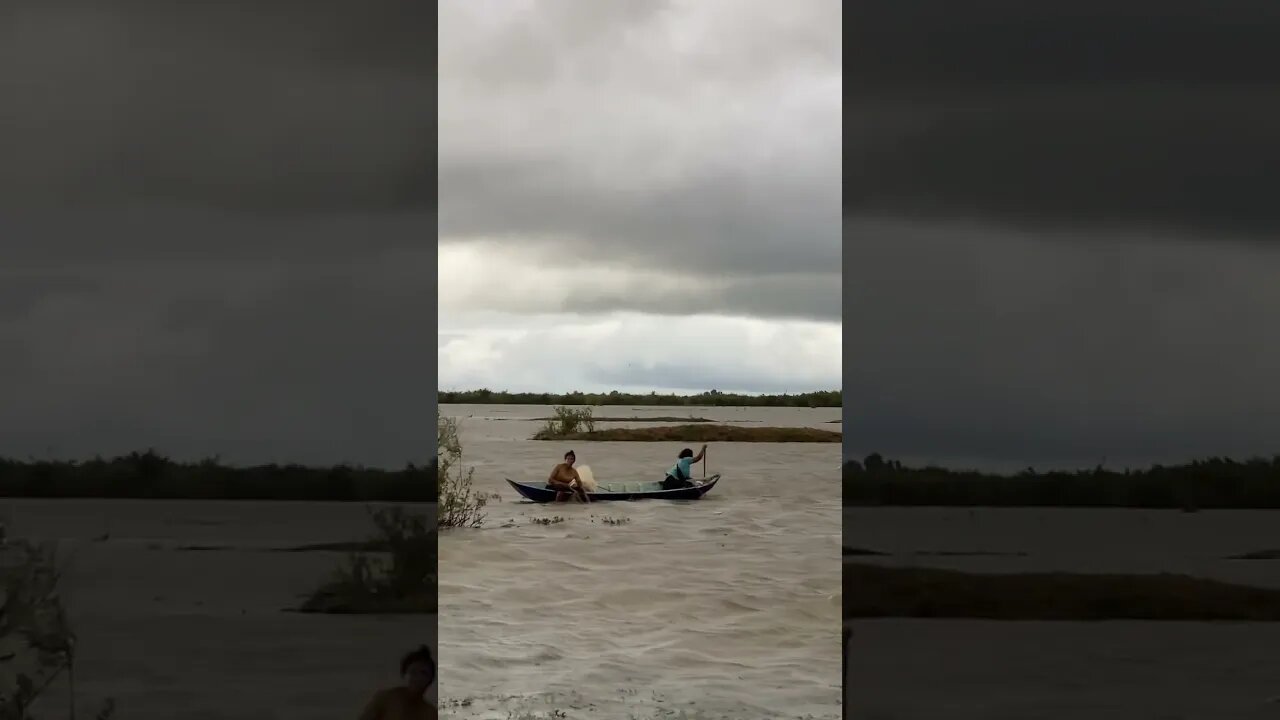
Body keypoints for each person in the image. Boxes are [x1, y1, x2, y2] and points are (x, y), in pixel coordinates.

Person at [357, 645, 437, 719]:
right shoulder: (386, 699)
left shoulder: (431, 713)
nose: (417, 678)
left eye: (424, 673)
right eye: (413, 672)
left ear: (430, 679)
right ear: (404, 674)